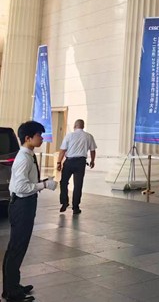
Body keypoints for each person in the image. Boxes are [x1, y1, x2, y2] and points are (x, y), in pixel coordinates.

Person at [3, 121, 57, 302]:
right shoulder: (24, 158)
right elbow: (20, 187)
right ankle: (12, 293)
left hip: (24, 204)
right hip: (22, 206)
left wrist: (41, 181)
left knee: (16, 247)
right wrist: (44, 185)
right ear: (28, 138)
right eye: (39, 135)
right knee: (17, 248)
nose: (42, 138)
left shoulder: (28, 155)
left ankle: (11, 286)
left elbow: (26, 182)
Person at [56, 118, 96, 215]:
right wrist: (92, 161)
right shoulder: (89, 136)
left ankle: (64, 202)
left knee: (63, 182)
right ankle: (75, 207)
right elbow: (92, 150)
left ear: (74, 126)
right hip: (80, 163)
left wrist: (59, 162)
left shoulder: (69, 135)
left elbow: (62, 150)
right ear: (83, 126)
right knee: (78, 185)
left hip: (69, 162)